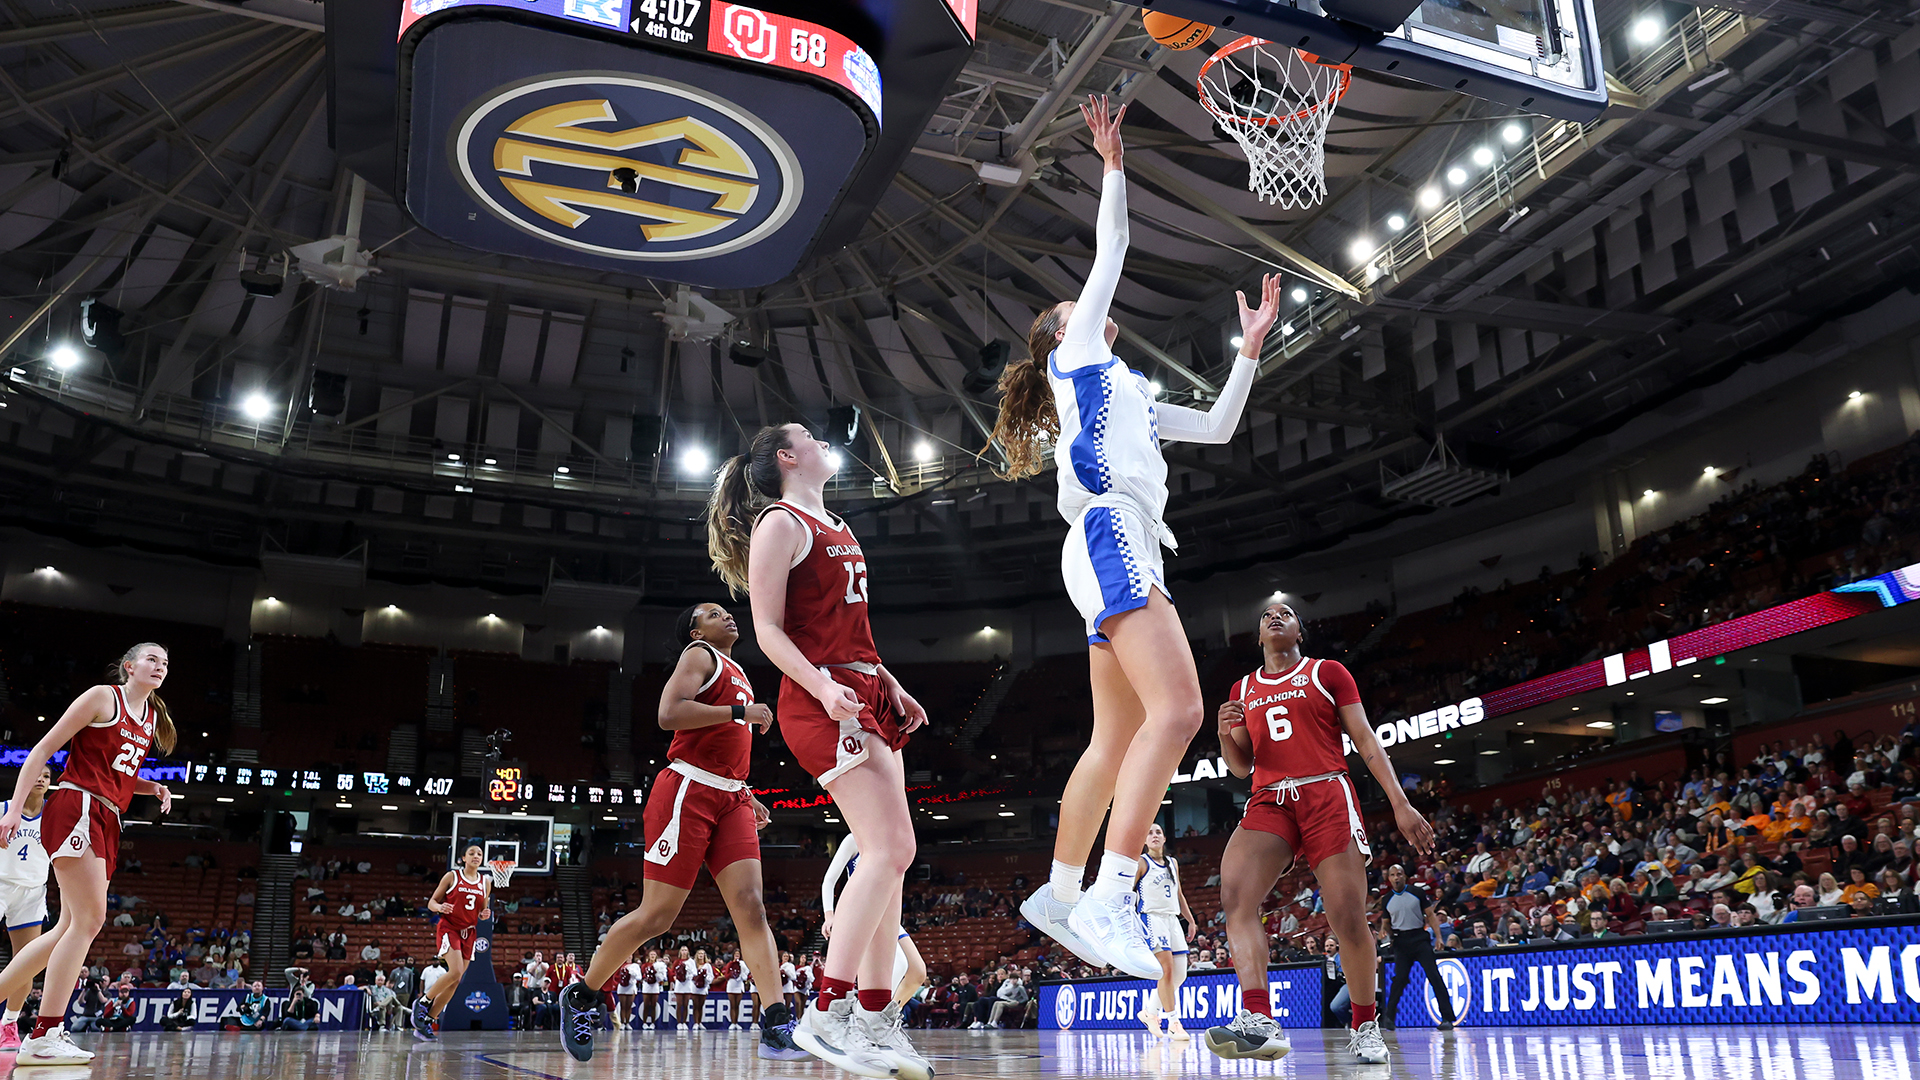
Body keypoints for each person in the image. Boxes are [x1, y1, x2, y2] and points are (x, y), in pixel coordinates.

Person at [1007, 97, 1283, 987]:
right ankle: (1109, 891)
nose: (1079, 306)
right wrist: (1112, 164)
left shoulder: (1126, 387)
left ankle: (1056, 891)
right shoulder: (1076, 355)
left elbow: (1219, 426)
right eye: (1068, 308)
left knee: (1116, 737)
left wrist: (1247, 350)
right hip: (1109, 528)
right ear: (1059, 334)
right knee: (1182, 713)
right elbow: (1111, 254)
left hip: (1108, 542)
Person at [705, 424, 931, 1080]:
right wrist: (825, 687)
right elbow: (769, 633)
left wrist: (889, 681)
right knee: (891, 850)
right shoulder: (781, 522)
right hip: (821, 700)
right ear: (786, 456)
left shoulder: (837, 522)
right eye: (808, 435)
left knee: (890, 860)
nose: (822, 440)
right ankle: (825, 1011)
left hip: (863, 691)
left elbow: (852, 627)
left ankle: (876, 1021)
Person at [558, 603, 804, 1062]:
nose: (727, 615)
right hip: (686, 790)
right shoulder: (699, 655)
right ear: (695, 629)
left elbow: (723, 748)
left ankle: (775, 1023)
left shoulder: (738, 670)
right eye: (713, 612)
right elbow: (668, 714)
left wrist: (746, 793)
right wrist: (738, 712)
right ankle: (583, 996)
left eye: (727, 611)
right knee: (657, 918)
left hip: (730, 795)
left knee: (751, 908)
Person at [1203, 604, 1429, 1067]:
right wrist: (1226, 735)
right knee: (1235, 896)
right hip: (1270, 797)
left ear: (1299, 632)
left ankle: (1365, 1024)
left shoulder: (1328, 672)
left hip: (1326, 791)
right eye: (1266, 615)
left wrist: (1399, 802)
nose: (1275, 616)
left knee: (1346, 915)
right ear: (1259, 636)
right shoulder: (1242, 688)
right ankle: (1258, 1017)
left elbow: (1365, 738)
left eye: (1286, 613)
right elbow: (1242, 766)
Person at [0, 643, 177, 1065]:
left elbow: (118, 775)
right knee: (90, 919)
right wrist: (12, 808)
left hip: (108, 815)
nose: (160, 667)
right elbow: (42, 751)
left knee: (66, 928)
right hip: (77, 804)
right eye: (152, 659)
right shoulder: (103, 697)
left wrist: (150, 787)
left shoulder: (150, 719)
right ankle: (45, 1033)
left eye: (166, 663)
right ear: (129, 666)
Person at [820, 832, 925, 1023]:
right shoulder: (854, 839)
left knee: (917, 972)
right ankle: (871, 1022)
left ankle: (884, 1019)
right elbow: (829, 880)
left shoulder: (893, 840)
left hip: (887, 914)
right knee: (899, 965)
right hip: (863, 911)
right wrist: (829, 915)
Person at [413, 844, 491, 1040]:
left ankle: (426, 1021)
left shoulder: (485, 882)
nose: (476, 856)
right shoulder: (452, 876)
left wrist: (484, 914)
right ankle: (423, 1002)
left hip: (469, 932)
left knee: (456, 981)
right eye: (471, 853)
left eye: (479, 854)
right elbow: (431, 902)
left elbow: (481, 911)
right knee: (455, 971)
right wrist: (440, 907)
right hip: (449, 928)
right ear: (463, 858)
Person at [0, 767, 52, 1051]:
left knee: (26, 962)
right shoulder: (4, 810)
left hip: (33, 891)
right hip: (1, 884)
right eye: (36, 774)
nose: (40, 779)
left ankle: (9, 1023)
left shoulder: (55, 816)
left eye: (46, 775)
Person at [1378, 865, 1457, 1035]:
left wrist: (1439, 937)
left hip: (1419, 938)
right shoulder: (1386, 899)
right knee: (1399, 979)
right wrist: (1385, 931)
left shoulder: (1417, 893)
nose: (1396, 878)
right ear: (1389, 879)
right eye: (1392, 875)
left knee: (1434, 975)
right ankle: (1389, 1017)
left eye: (1399, 874)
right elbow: (1386, 923)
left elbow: (1430, 915)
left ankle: (1447, 1018)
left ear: (1404, 876)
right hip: (1400, 941)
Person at [1132, 824, 1195, 1040]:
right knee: (1166, 970)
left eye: (1158, 831)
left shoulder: (1173, 863)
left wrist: (1190, 920)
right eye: (1149, 832)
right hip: (1151, 917)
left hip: (1172, 919)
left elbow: (1179, 894)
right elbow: (1127, 894)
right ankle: (1174, 1022)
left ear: (1165, 837)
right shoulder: (1141, 863)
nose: (1154, 835)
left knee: (1179, 975)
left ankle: (1149, 1012)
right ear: (1145, 840)